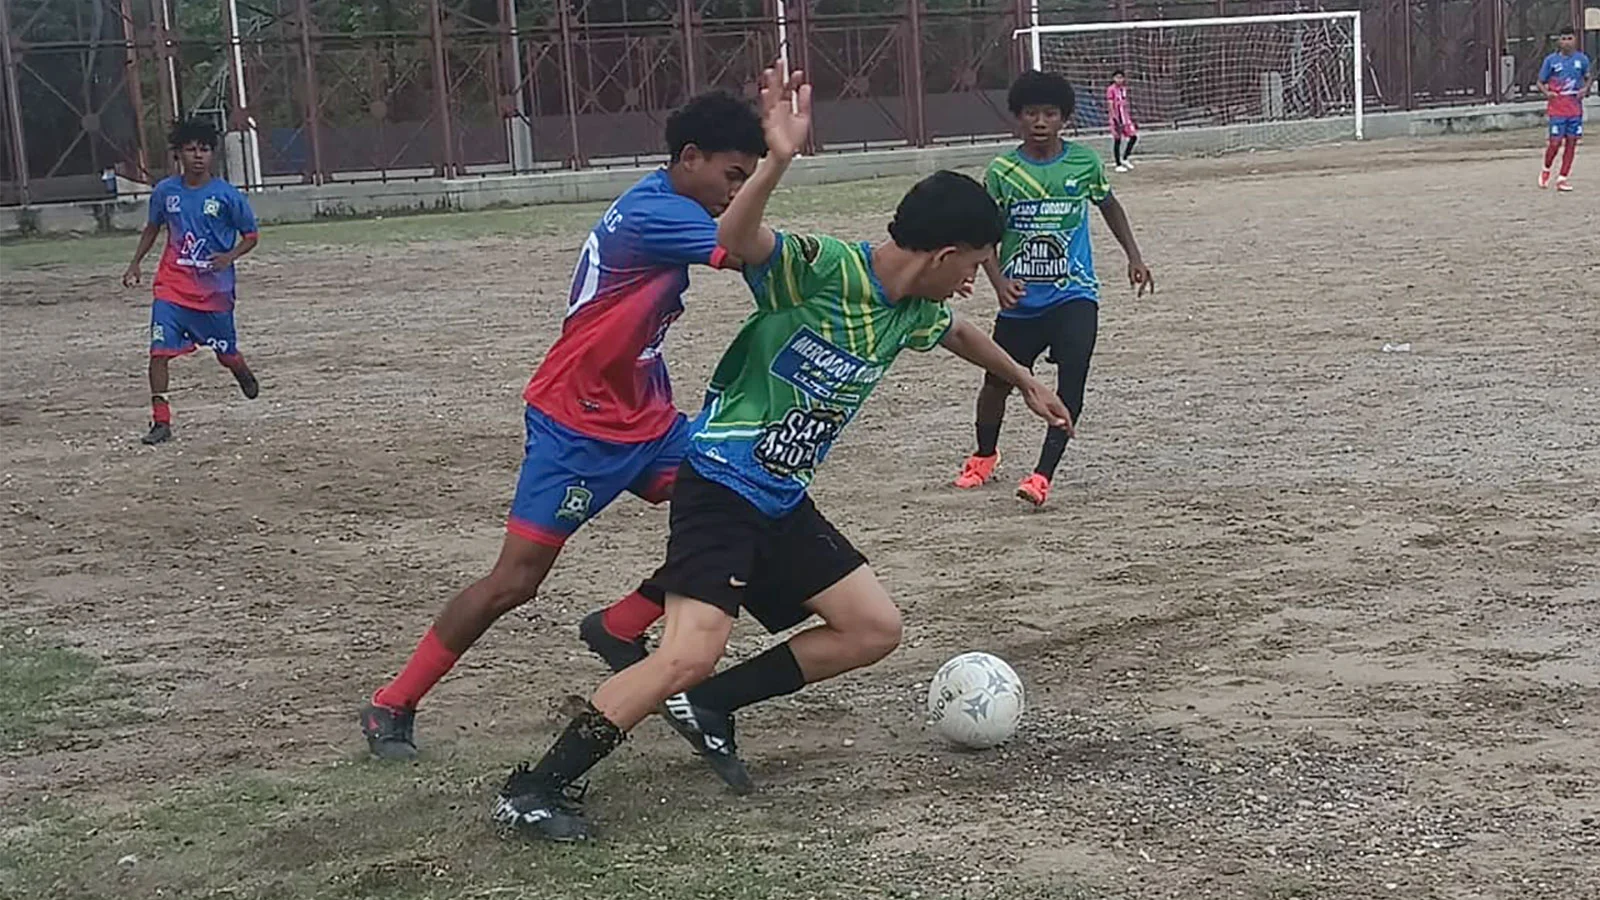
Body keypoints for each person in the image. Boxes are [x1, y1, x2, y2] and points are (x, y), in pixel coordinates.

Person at [489, 67, 1073, 842]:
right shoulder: (823, 268)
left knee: (871, 628)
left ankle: (716, 706)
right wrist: (778, 160)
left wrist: (1025, 380)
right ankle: (536, 786)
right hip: (723, 484)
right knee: (685, 654)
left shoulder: (910, 311)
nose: (975, 280)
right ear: (944, 253)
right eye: (974, 263)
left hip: (780, 499)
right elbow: (738, 238)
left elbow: (958, 334)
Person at [359, 91, 767, 761]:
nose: (737, 191)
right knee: (514, 583)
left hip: (649, 418)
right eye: (732, 175)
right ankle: (392, 702)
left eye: (746, 179)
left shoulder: (670, 200)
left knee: (736, 503)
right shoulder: (658, 213)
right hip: (577, 427)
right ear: (689, 159)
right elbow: (749, 251)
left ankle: (622, 623)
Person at [952, 71, 1154, 508]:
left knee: (1072, 382)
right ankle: (985, 455)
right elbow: (985, 232)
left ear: (1064, 119)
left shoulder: (1083, 164)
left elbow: (1109, 205)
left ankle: (1042, 475)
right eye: (1031, 113)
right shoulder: (1004, 171)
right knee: (997, 385)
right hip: (1022, 302)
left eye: (1049, 113)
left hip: (1075, 295)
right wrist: (997, 280)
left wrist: (1133, 257)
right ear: (1017, 119)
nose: (1040, 121)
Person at [122, 119, 261, 445]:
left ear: (212, 154)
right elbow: (153, 228)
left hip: (213, 293)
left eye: (204, 149)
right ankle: (161, 421)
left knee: (225, 353)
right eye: (191, 149)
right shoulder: (165, 192)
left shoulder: (227, 196)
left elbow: (251, 236)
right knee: (158, 351)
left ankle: (238, 366)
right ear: (178, 154)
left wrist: (229, 257)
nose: (198, 155)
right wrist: (135, 262)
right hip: (172, 287)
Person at [1538, 27, 1592, 192]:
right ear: (1559, 41)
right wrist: (1548, 93)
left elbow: (1588, 77)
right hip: (1557, 108)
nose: (1567, 42)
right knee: (1555, 142)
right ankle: (1546, 169)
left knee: (1571, 142)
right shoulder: (1551, 61)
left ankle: (1562, 178)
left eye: (1570, 38)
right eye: (1564, 39)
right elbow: (1540, 82)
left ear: (1575, 40)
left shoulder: (1581, 59)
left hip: (1574, 108)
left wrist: (1585, 89)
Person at [1106, 69, 1138, 173]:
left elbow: (1124, 103)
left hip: (1125, 117)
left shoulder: (1123, 89)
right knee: (1117, 140)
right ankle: (1118, 164)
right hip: (1116, 117)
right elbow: (1110, 104)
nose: (1119, 80)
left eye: (1121, 77)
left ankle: (1125, 158)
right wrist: (1114, 117)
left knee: (1133, 137)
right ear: (1113, 78)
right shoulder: (1111, 89)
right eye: (1117, 77)